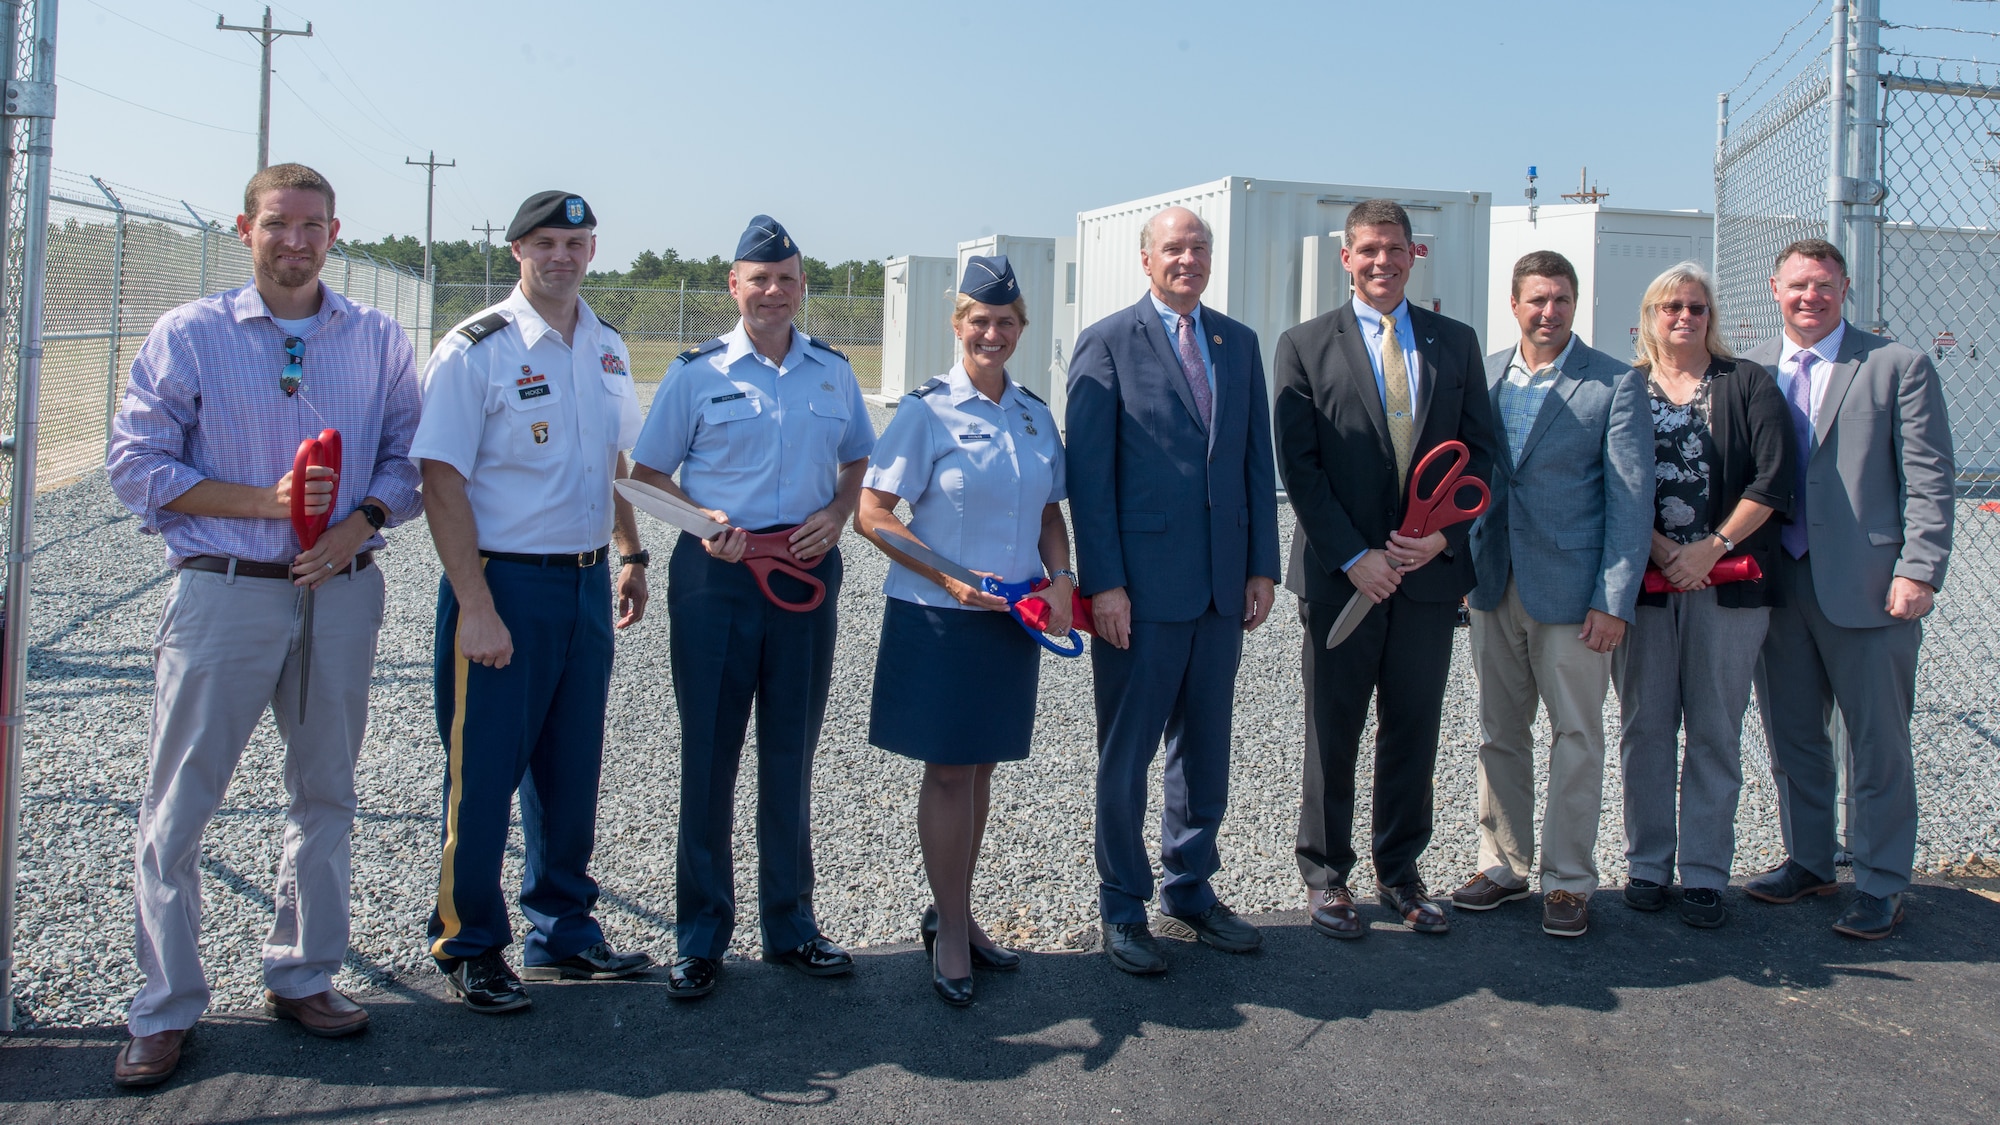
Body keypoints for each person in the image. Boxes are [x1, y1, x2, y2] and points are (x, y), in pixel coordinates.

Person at [104, 163, 422, 1086]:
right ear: (246, 227)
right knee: (181, 802)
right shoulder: (193, 334)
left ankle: (303, 970)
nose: (296, 240)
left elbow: (406, 456)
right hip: (226, 588)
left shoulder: (374, 338)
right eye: (278, 223)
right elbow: (137, 465)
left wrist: (358, 523)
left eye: (313, 225)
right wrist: (269, 503)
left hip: (342, 588)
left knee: (324, 789)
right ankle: (163, 1006)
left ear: (335, 231)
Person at [412, 191, 653, 1015]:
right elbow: (439, 477)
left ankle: (563, 929)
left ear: (593, 250)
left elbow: (611, 460)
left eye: (576, 242)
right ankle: (468, 941)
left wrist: (631, 553)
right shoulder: (476, 349)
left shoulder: (607, 346)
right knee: (483, 773)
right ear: (518, 250)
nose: (562, 256)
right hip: (503, 581)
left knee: (569, 766)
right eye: (545, 242)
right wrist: (474, 602)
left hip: (585, 580)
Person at [630, 215, 876, 999]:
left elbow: (856, 459)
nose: (773, 292)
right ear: (733, 286)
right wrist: (704, 526)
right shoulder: (696, 373)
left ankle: (791, 925)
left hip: (805, 576)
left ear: (804, 288)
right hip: (718, 580)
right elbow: (645, 474)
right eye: (757, 279)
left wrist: (839, 514)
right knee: (709, 756)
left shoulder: (833, 373)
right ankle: (700, 935)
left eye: (787, 279)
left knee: (790, 754)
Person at [1274, 198, 1500, 941]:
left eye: (1395, 249)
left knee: (1413, 730)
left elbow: (1484, 456)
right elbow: (1301, 469)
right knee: (1331, 732)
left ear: (1415, 255)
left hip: (1428, 579)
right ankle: (1326, 874)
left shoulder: (1455, 343)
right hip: (1344, 578)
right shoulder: (1305, 346)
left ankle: (1400, 872)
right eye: (1368, 250)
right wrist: (1356, 556)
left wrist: (1442, 540)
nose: (1382, 262)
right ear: (1347, 258)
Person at [1066, 205, 1281, 975]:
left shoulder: (1238, 342)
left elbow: (1257, 463)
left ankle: (1189, 888)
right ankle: (1122, 906)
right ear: (1146, 258)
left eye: (1199, 248)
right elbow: (1089, 482)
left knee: (1205, 749)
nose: (1187, 259)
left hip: (1223, 589)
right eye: (1174, 248)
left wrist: (1262, 566)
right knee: (1125, 756)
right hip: (1142, 594)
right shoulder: (1107, 343)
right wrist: (1107, 586)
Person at [855, 256, 1073, 1006]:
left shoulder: (1035, 414)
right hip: (940, 619)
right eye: (979, 321)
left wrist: (1064, 579)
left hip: (1011, 621)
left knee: (980, 771)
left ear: (1021, 331)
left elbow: (1049, 515)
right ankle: (949, 928)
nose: (993, 333)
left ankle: (960, 910)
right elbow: (873, 511)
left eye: (1006, 323)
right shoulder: (926, 410)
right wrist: (947, 574)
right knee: (948, 771)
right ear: (958, 326)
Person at [1745, 239, 1954, 940]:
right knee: (1794, 734)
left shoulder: (1896, 365)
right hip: (1779, 583)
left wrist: (1919, 568)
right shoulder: (1752, 374)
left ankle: (1882, 880)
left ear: (1845, 289)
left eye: (1825, 286)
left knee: (1877, 742)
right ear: (1775, 287)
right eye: (1799, 285)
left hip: (1869, 588)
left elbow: (1928, 478)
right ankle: (1809, 859)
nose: (1811, 297)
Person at [1449, 250, 1651, 939]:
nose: (1550, 310)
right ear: (1515, 303)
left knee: (1576, 735)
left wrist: (1612, 599)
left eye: (1561, 298)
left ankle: (1568, 880)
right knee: (1499, 732)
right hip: (1491, 585)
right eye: (1537, 299)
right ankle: (1503, 862)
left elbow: (1630, 503)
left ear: (1574, 304)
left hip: (1572, 595)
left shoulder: (1614, 384)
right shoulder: (1487, 376)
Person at [1611, 261, 1793, 930]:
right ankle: (1648, 864)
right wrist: (1662, 550)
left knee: (1715, 729)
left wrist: (1708, 548)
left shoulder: (1747, 384)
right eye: (1671, 307)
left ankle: (1706, 872)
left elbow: (1773, 480)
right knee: (1645, 727)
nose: (1684, 317)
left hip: (1728, 588)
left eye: (1696, 306)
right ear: (1649, 318)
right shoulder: (1625, 388)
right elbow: (1612, 482)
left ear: (1711, 316)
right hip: (1646, 589)